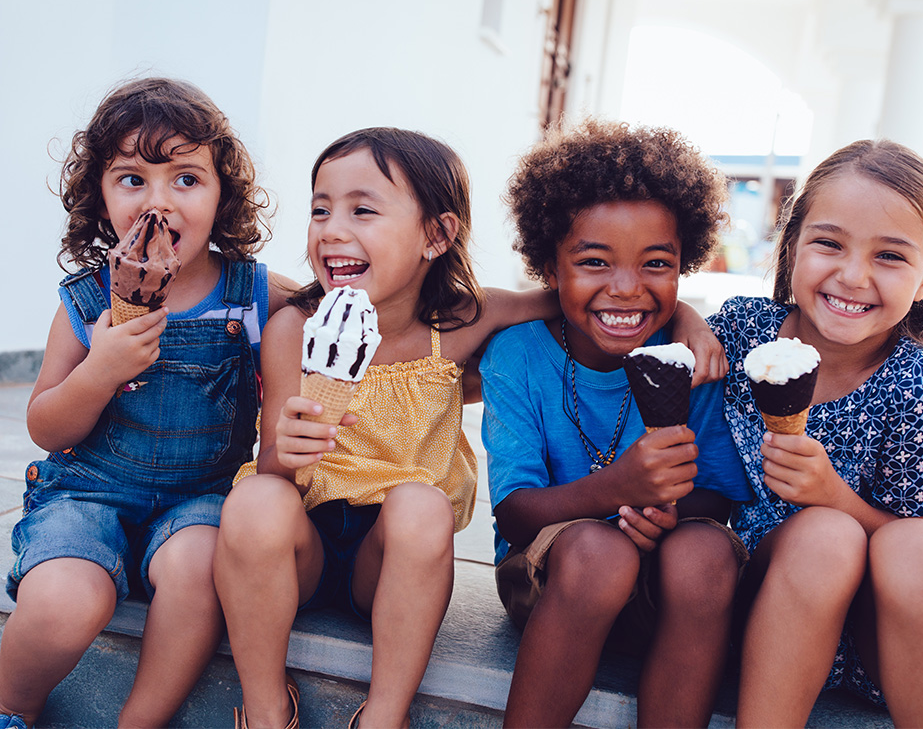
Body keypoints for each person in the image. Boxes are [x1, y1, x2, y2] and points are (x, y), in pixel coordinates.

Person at [212, 126, 726, 729]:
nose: (332, 228)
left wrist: (686, 315)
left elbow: (579, 294)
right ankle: (266, 707)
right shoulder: (294, 330)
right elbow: (273, 460)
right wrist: (283, 454)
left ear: (437, 235)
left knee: (423, 506)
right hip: (300, 550)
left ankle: (383, 716)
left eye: (362, 210)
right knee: (255, 498)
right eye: (320, 209)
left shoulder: (463, 322)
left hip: (392, 559)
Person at [0, 77, 294, 729]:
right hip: (87, 491)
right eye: (132, 178)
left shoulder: (253, 292)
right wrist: (97, 372)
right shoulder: (85, 302)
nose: (158, 200)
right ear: (101, 199)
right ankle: (9, 706)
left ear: (223, 196)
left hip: (202, 498)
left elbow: (342, 316)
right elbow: (46, 422)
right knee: (63, 601)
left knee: (195, 572)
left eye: (186, 178)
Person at [480, 118, 754, 728]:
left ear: (685, 265)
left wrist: (667, 515)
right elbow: (514, 512)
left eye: (656, 263)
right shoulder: (519, 356)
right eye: (595, 262)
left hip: (662, 587)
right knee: (600, 554)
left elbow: (716, 498)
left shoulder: (696, 362)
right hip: (555, 579)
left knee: (708, 551)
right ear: (551, 267)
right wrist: (617, 490)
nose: (627, 289)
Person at [708, 139, 923, 727]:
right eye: (829, 243)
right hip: (751, 605)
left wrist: (832, 495)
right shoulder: (739, 331)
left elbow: (916, 550)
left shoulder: (922, 387)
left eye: (890, 257)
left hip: (872, 638)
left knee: (918, 544)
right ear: (793, 245)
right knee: (824, 539)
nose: (852, 276)